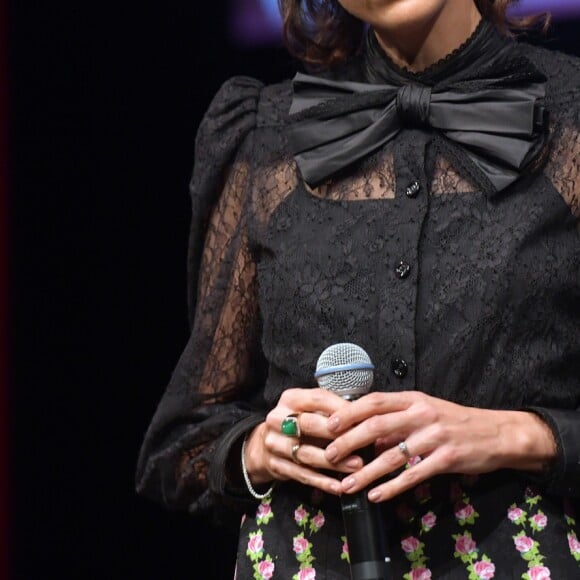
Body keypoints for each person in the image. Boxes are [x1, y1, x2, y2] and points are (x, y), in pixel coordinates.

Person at [136, 0, 580, 577]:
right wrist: (261, 448)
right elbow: (182, 444)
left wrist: (516, 433)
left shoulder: (570, 119)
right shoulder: (265, 136)